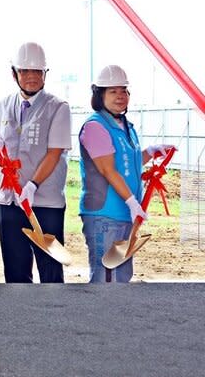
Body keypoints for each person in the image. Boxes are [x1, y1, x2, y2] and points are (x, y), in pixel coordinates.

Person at [79, 65, 173, 282]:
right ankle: (99, 317)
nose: (120, 96)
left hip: (125, 215)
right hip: (104, 216)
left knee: (121, 276)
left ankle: (117, 316)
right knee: (104, 278)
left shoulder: (125, 126)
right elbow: (107, 169)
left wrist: (150, 152)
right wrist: (133, 203)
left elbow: (126, 163)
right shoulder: (95, 127)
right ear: (100, 95)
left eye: (124, 91)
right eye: (113, 91)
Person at [0, 42, 71, 283]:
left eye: (38, 71)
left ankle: (54, 316)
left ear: (46, 74)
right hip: (9, 201)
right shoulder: (3, 106)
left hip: (45, 202)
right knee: (15, 271)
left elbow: (54, 152)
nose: (31, 77)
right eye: (25, 71)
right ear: (14, 73)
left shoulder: (58, 108)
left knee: (51, 270)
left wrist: (32, 185)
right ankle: (20, 319)